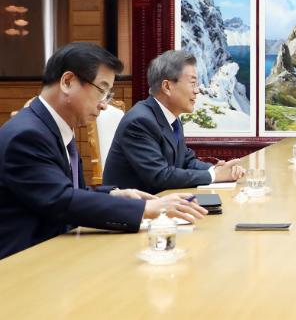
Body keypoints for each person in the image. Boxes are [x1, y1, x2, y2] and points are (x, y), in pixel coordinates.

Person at [0, 43, 207, 260]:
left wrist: (113, 194)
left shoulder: (51, 127)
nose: (104, 105)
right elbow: (61, 200)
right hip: (23, 263)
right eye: (102, 90)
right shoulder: (27, 135)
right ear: (68, 82)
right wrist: (146, 208)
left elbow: (64, 190)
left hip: (56, 252)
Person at [104, 50, 244, 194]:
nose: (197, 91)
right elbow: (159, 175)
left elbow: (186, 161)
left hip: (163, 203)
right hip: (134, 211)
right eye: (193, 83)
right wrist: (214, 176)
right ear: (167, 87)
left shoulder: (171, 118)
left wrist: (215, 169)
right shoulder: (140, 122)